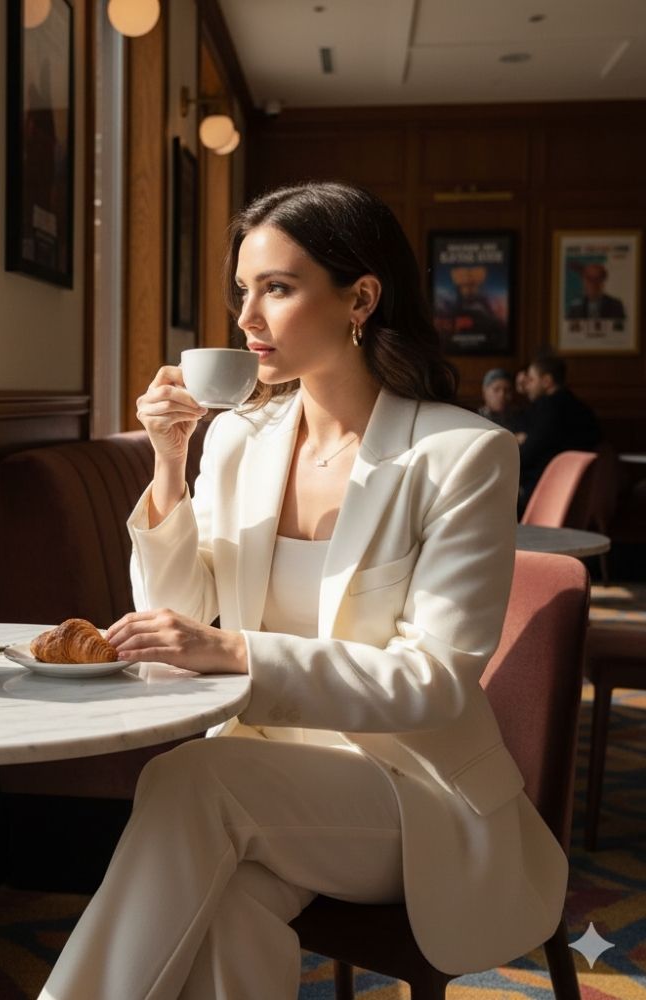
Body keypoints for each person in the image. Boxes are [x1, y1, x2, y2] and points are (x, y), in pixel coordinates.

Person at [37, 182, 567, 1000]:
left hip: (412, 794)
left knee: (188, 780)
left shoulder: (462, 455)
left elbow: (432, 679)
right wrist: (169, 463)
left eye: (276, 289)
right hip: (266, 785)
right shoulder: (242, 437)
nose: (247, 319)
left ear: (360, 296)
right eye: (242, 291)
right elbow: (181, 603)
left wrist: (234, 652)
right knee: (229, 910)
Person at [517, 351, 601, 514]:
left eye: (532, 380)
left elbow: (527, 454)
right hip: (576, 492)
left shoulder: (550, 408)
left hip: (546, 493)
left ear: (547, 381)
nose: (528, 385)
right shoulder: (578, 406)